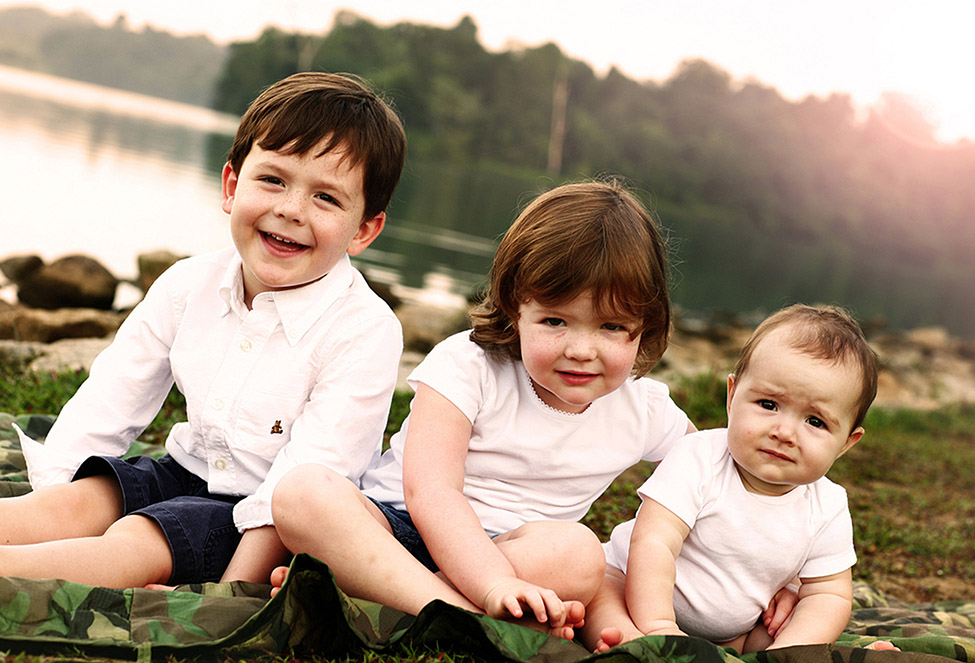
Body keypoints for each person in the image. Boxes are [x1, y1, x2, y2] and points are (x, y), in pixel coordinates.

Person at [2, 71, 407, 589]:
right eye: (273, 180)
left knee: (138, 542)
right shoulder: (187, 284)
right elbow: (109, 402)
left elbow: (309, 477)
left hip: (265, 521)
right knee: (77, 500)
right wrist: (54, 488)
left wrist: (228, 594)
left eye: (326, 198)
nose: (290, 209)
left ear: (365, 229)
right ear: (232, 186)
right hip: (183, 469)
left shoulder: (365, 330)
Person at [268, 179, 697, 637]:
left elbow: (717, 473)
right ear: (515, 308)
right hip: (396, 532)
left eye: (612, 327)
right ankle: (457, 614)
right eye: (555, 321)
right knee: (303, 493)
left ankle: (381, 602)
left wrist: (784, 578)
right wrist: (491, 585)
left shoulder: (645, 409)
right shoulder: (469, 365)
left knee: (580, 553)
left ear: (644, 325)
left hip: (516, 556)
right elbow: (431, 492)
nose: (580, 350)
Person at [585, 304, 880, 653]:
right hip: (631, 590)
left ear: (847, 442)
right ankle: (636, 644)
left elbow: (827, 593)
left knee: (786, 630)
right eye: (769, 404)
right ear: (732, 396)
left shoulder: (827, 505)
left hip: (732, 631)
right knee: (602, 595)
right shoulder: (699, 457)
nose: (784, 432)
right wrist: (659, 626)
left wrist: (790, 650)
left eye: (815, 422)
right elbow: (653, 544)